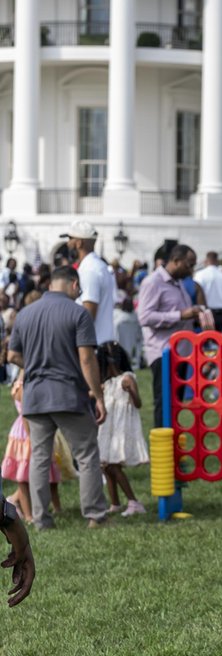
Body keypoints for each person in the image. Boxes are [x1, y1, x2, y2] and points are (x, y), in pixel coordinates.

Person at [6, 266, 108, 530]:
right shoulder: (78, 313)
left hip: (35, 396)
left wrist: (35, 365)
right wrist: (98, 396)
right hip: (68, 394)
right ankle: (95, 514)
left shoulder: (25, 314)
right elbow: (86, 358)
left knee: (39, 457)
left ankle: (41, 519)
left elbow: (12, 356)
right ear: (73, 284)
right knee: (86, 453)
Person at [137, 245, 202, 428]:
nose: (191, 270)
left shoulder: (178, 282)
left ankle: (174, 451)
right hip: (162, 353)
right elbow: (144, 317)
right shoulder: (153, 282)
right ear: (176, 261)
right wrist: (181, 315)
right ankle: (162, 455)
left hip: (180, 353)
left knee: (175, 406)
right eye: (189, 265)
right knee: (164, 406)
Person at [2, 371, 63, 521]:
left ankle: (35, 509)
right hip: (27, 432)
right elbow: (25, 414)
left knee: (36, 471)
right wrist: (31, 437)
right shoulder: (24, 386)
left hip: (27, 430)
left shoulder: (22, 383)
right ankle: (29, 515)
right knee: (23, 476)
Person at [97, 343, 148, 517]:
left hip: (121, 429)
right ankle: (115, 503)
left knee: (114, 466)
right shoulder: (108, 383)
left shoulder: (127, 379)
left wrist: (131, 392)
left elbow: (138, 403)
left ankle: (134, 502)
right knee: (105, 466)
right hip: (108, 430)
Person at [64, 220, 117, 347]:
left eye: (70, 239)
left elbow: (88, 314)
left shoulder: (90, 269)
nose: (67, 243)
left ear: (79, 243)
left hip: (93, 346)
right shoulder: (97, 266)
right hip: (99, 342)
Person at [193, 251, 222, 332]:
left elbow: (196, 294)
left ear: (206, 260)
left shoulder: (199, 275)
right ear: (217, 261)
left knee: (207, 340)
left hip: (206, 313)